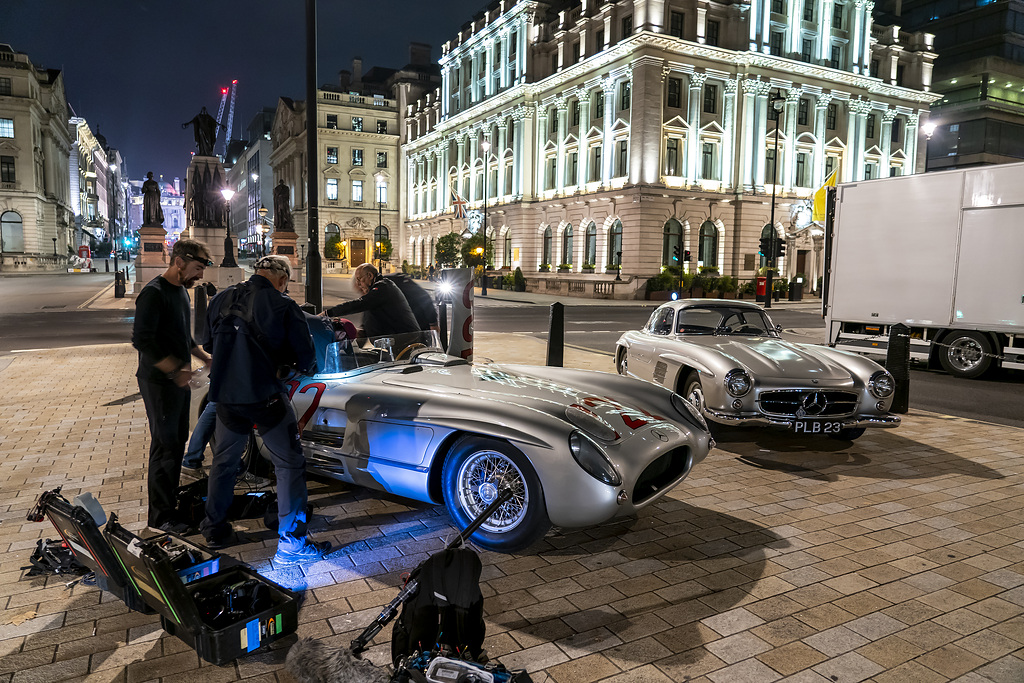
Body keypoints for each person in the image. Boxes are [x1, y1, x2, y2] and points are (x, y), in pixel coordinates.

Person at [200, 255, 331, 565]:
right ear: (282, 280)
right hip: (265, 398)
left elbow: (208, 344)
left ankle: (214, 529)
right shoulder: (284, 306)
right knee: (289, 464)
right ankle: (292, 542)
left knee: (224, 463)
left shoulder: (220, 299)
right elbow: (307, 361)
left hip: (226, 397)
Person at [132, 239, 213, 533]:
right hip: (158, 383)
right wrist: (174, 370)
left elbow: (182, 335)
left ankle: (168, 508)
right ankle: (160, 518)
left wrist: (203, 357)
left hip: (176, 379)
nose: (200, 275)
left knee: (176, 443)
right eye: (197, 268)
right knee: (165, 448)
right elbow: (142, 341)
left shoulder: (181, 291)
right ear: (179, 262)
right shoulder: (153, 294)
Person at [324, 263, 419, 339]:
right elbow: (369, 325)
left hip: (407, 341)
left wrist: (328, 313)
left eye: (359, 279)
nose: (358, 284)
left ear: (369, 275)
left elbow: (359, 304)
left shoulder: (384, 287)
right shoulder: (373, 297)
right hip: (393, 342)